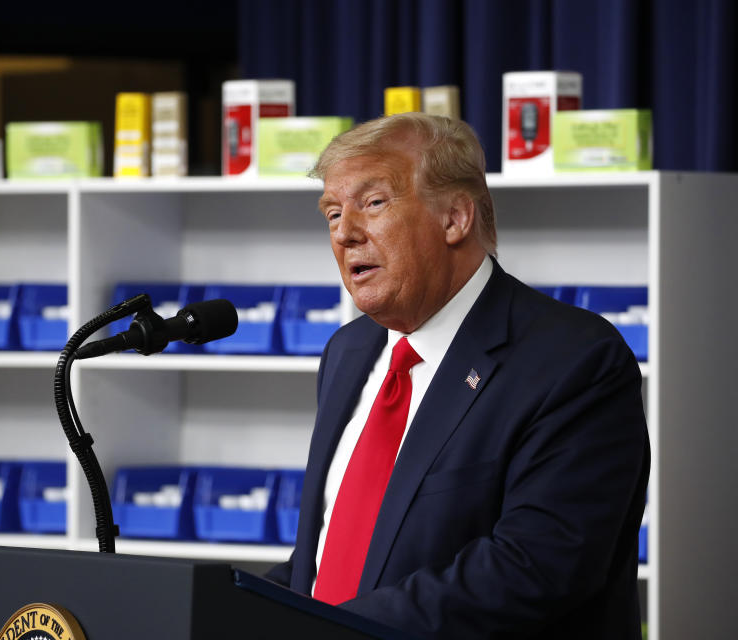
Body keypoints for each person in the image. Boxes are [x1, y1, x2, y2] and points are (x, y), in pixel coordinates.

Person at [265, 112, 650, 639]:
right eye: (332, 214)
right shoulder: (346, 353)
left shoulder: (573, 359)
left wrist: (331, 630)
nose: (346, 234)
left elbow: (536, 568)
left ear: (455, 219)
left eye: (373, 203)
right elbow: (331, 557)